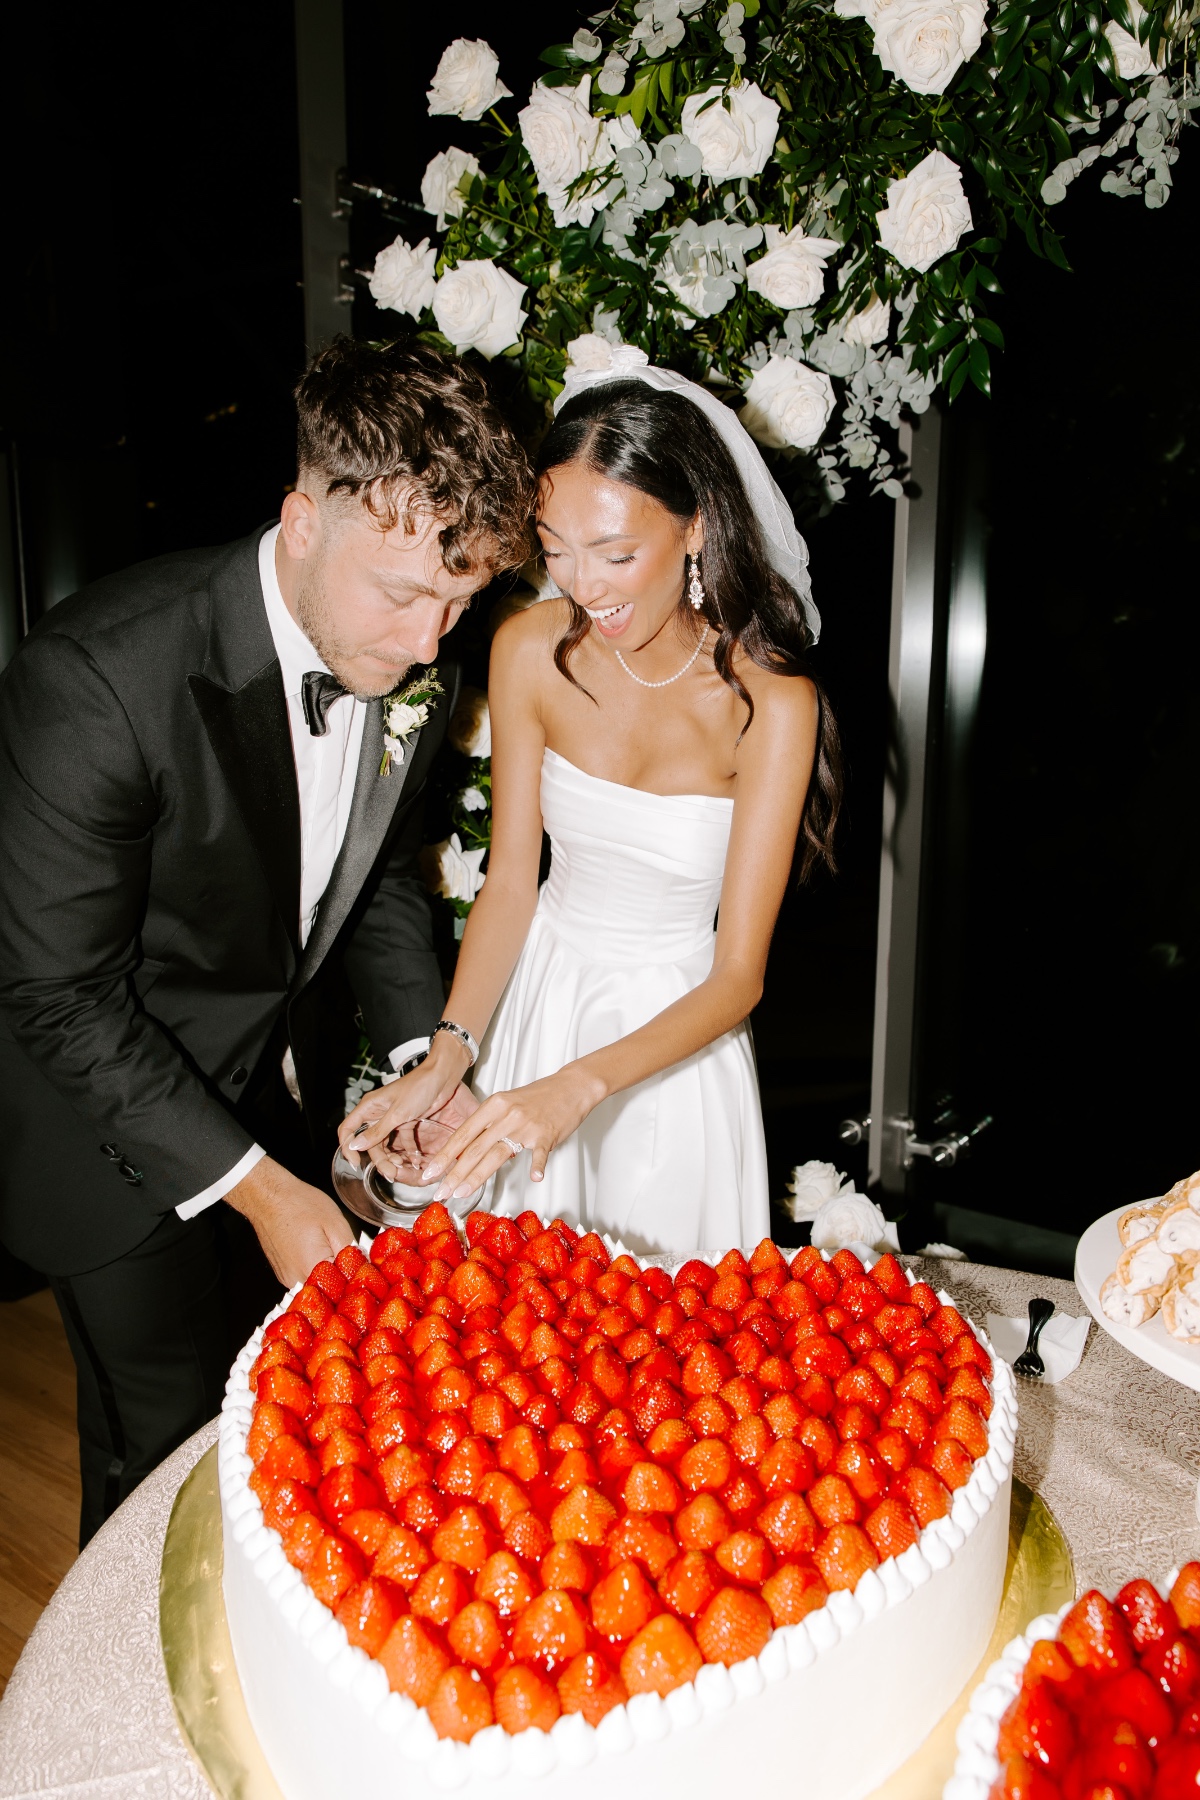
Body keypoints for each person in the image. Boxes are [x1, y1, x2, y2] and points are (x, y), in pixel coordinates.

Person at [0, 338, 534, 1545]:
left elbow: (381, 871)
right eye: (404, 593)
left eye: (460, 601)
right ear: (302, 520)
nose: (431, 644)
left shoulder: (409, 663)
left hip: (263, 1092)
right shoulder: (94, 682)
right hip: (105, 1130)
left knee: (273, 1419)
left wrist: (419, 1056)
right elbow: (60, 996)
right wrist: (263, 1194)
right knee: (162, 1458)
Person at [342, 346, 841, 1257]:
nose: (583, 586)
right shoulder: (529, 649)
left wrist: (578, 1088)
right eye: (558, 551)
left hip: (672, 1052)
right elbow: (511, 885)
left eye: (615, 554)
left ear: (695, 528)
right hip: (540, 1005)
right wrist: (450, 1053)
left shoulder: (773, 703)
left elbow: (739, 978)